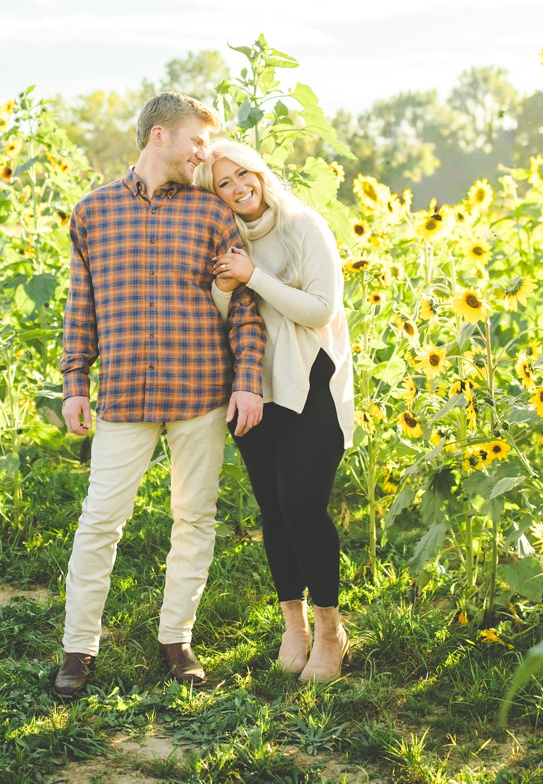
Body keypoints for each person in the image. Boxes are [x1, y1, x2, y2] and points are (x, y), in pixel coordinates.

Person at [51, 91, 267, 702]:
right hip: (122, 394)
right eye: (196, 141)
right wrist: (75, 381)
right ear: (158, 138)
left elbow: (244, 309)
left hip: (201, 390)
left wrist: (247, 379)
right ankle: (78, 649)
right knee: (99, 522)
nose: (204, 154)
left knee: (193, 518)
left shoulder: (211, 216)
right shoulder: (91, 213)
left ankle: (178, 639)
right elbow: (80, 306)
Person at [199, 139, 356, 682]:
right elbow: (218, 313)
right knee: (272, 505)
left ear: (260, 172)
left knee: (302, 503)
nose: (238, 187)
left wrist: (253, 277)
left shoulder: (304, 226)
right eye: (224, 182)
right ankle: (294, 623)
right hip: (250, 385)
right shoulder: (224, 237)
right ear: (213, 192)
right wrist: (226, 285)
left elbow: (320, 310)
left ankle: (331, 629)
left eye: (244, 173)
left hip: (312, 383)